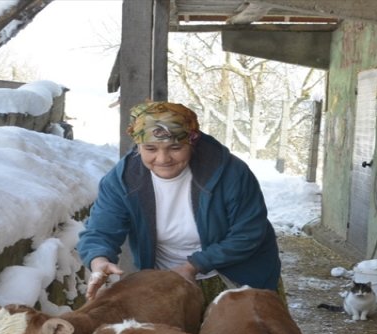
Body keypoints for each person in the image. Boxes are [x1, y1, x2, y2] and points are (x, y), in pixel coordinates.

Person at [77, 101, 282, 306]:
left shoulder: (230, 173)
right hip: (168, 278)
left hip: (238, 276)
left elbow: (248, 233)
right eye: (150, 148)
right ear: (138, 146)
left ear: (191, 142)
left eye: (175, 147)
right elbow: (100, 230)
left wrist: (192, 266)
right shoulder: (123, 181)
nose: (163, 158)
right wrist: (99, 260)